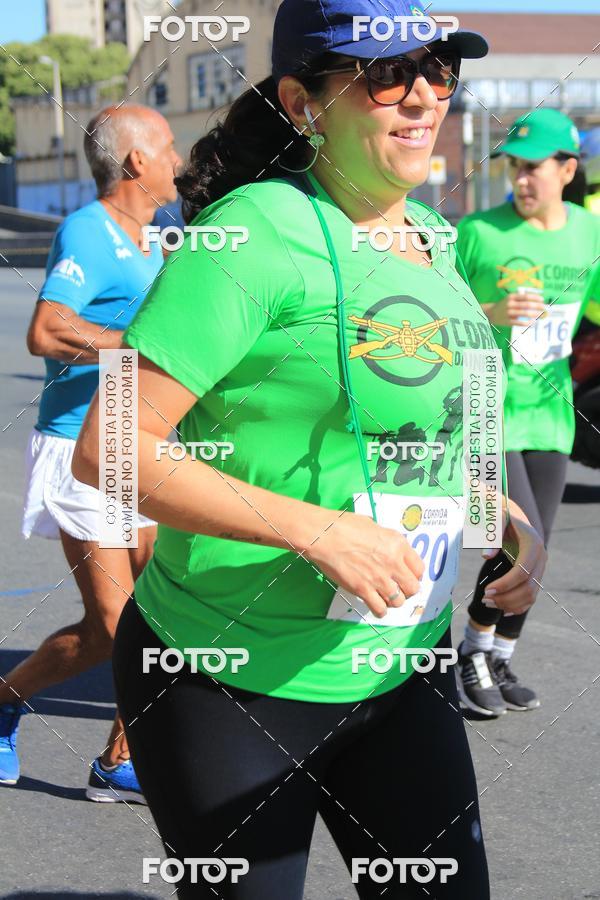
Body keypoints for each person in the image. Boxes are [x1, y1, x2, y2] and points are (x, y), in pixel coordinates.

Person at [74, 0, 545, 896]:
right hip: (227, 678)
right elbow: (110, 448)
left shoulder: (435, 241)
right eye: (385, 75)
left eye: (439, 71)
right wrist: (314, 531)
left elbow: (455, 422)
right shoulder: (249, 237)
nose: (422, 97)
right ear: (301, 100)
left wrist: (506, 521)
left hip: (400, 667)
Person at [0, 105, 180, 801]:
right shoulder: (87, 230)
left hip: (141, 440)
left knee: (159, 617)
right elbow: (45, 332)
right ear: (135, 161)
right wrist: (132, 349)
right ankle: (7, 698)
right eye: (167, 146)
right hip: (82, 444)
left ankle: (116, 761)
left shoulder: (155, 237)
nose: (177, 157)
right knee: (113, 629)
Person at [455, 109, 600, 717]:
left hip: (551, 411)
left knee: (536, 552)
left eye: (533, 166)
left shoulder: (589, 235)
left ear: (568, 170)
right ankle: (470, 654)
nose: (521, 178)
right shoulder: (478, 234)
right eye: (514, 166)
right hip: (487, 406)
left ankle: (502, 656)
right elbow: (430, 316)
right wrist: (489, 312)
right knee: (514, 541)